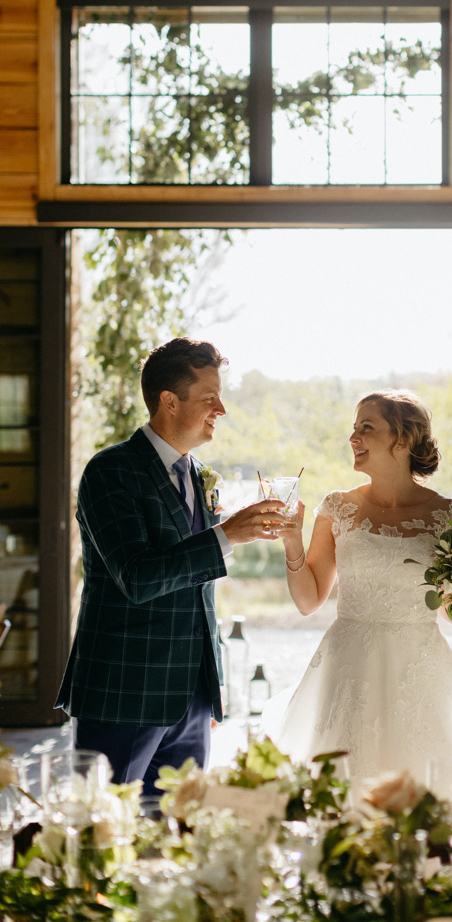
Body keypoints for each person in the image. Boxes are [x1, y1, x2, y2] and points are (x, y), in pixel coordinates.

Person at [55, 337, 290, 796]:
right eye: (209, 397)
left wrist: (211, 692)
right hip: (123, 691)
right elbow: (137, 577)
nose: (221, 409)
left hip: (192, 700)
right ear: (169, 401)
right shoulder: (110, 471)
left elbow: (198, 590)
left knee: (181, 826)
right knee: (106, 824)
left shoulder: (199, 474)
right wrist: (226, 535)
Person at [266, 388, 452, 813]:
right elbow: (308, 601)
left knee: (425, 800)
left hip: (420, 669)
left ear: (403, 440)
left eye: (366, 428)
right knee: (341, 797)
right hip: (349, 667)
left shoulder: (449, 515)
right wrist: (291, 540)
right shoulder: (337, 507)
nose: (353, 437)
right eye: (354, 428)